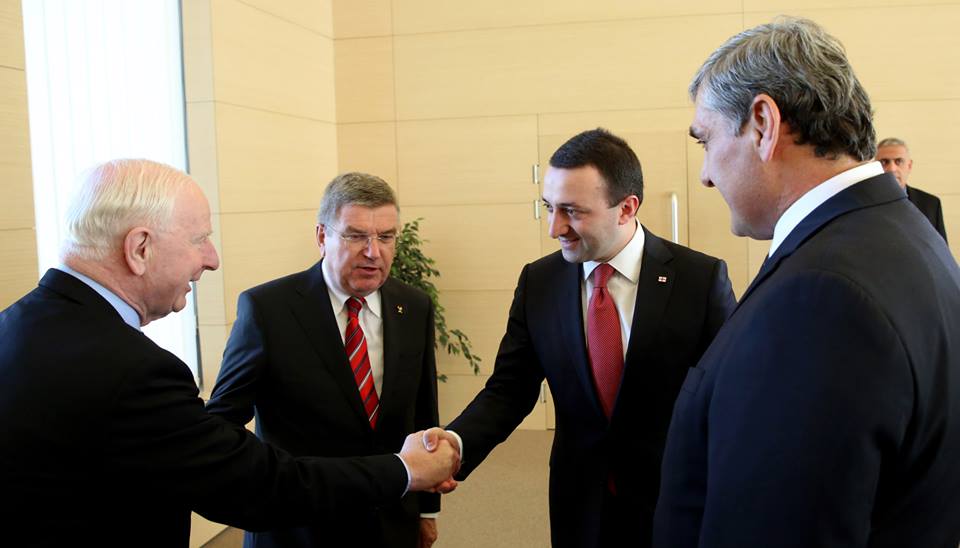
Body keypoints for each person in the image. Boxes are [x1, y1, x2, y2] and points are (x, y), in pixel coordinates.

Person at [0, 159, 459, 547]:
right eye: (199, 239)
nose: (212, 258)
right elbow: (245, 479)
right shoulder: (140, 369)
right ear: (140, 248)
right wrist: (404, 470)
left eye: (386, 237)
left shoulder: (14, 327)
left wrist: (422, 504)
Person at [653, 17, 960, 548]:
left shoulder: (819, 301)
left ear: (763, 125)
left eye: (706, 140)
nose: (705, 175)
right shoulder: (905, 232)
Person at [425, 128, 737, 548]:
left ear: (626, 208)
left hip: (675, 499)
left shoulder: (699, 279)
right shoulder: (540, 282)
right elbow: (510, 389)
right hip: (580, 501)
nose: (555, 228)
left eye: (572, 211)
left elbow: (731, 398)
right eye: (549, 207)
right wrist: (457, 443)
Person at [206, 172, 441, 548]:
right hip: (298, 528)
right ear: (321, 236)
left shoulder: (413, 305)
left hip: (389, 520)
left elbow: (424, 414)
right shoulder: (268, 309)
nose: (373, 252)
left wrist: (427, 510)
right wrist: (263, 487)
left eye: (385, 237)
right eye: (355, 236)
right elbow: (222, 421)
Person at [875, 137, 948, 242]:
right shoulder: (863, 203)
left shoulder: (931, 204)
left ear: (909, 166)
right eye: (884, 162)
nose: (892, 169)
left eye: (899, 161)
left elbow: (941, 249)